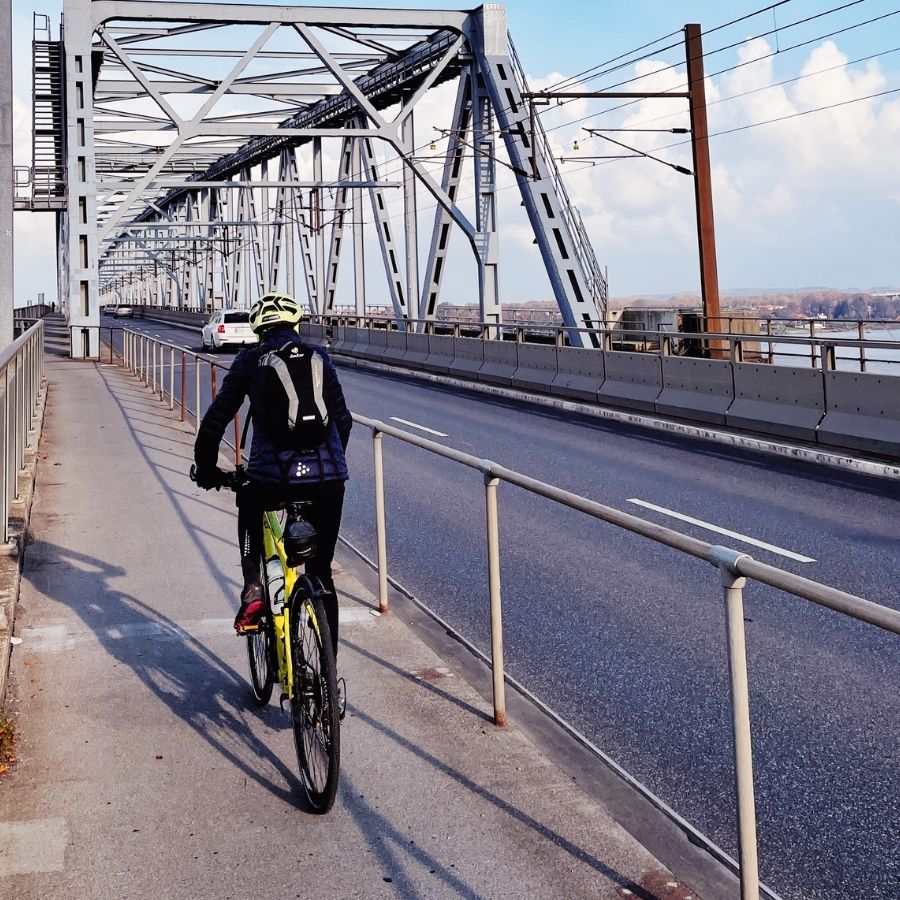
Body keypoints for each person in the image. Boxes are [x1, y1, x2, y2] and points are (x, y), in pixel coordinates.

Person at [192, 292, 352, 643]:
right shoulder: (319, 357)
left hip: (271, 479)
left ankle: (252, 589)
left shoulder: (250, 360)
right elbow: (344, 421)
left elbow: (216, 420)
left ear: (258, 329)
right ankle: (327, 683)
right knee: (321, 571)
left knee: (249, 503)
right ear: (296, 324)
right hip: (328, 480)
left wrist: (206, 470)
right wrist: (330, 465)